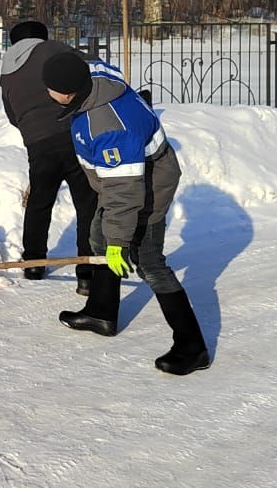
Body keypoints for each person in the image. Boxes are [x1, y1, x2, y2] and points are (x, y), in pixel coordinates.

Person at [41, 50, 211, 376]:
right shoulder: (93, 77)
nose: (45, 93)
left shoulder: (109, 127)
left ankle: (193, 346)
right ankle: (102, 312)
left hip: (145, 187)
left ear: (67, 93)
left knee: (148, 262)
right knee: (97, 236)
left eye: (49, 88)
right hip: (122, 179)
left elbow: (124, 193)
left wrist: (119, 240)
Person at [0, 20, 99, 293]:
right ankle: (87, 271)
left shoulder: (6, 73)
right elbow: (86, 70)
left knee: (40, 201)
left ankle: (33, 263)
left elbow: (12, 117)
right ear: (41, 37)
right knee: (86, 201)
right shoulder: (51, 50)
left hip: (37, 143)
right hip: (71, 133)